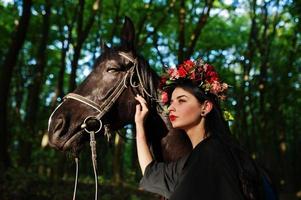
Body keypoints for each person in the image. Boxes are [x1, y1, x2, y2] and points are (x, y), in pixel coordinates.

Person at [134, 58, 277, 200]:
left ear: (205, 107)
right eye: (171, 102)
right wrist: (139, 126)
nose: (171, 108)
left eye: (181, 100)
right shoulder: (192, 160)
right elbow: (151, 173)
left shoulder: (212, 152)